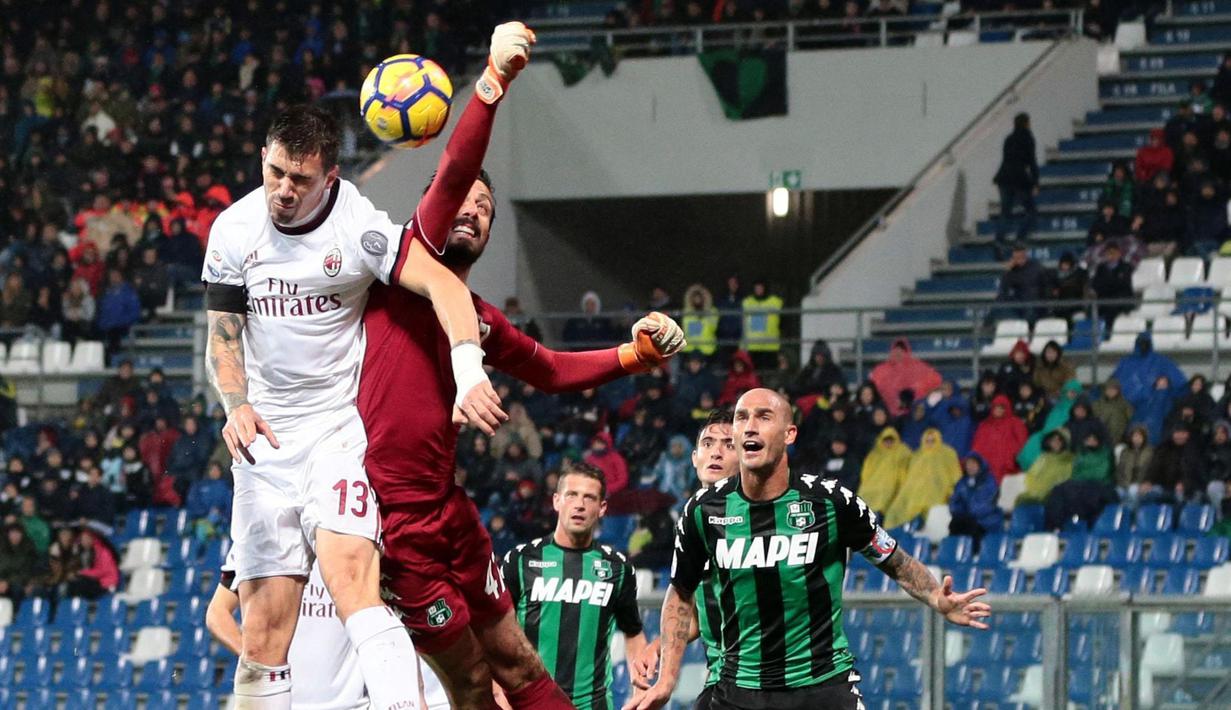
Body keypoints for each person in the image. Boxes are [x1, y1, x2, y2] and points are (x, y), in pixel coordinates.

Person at [355, 46, 686, 709]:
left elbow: (551, 368)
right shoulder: (408, 266)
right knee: (473, 683)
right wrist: (491, 84)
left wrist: (633, 357)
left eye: (486, 207)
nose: (472, 209)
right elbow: (453, 170)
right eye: (462, 201)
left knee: (516, 660)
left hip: (449, 512)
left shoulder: (477, 316)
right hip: (396, 525)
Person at [200, 86, 517, 704]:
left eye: (301, 178)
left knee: (353, 585)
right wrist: (235, 404)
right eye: (274, 172)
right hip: (264, 444)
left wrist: (468, 367)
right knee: (263, 634)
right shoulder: (232, 230)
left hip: (336, 434)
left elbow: (446, 288)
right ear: (262, 155)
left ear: (330, 176)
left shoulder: (361, 227)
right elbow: (224, 332)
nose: (284, 190)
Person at [629, 389, 990, 710]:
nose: (750, 426)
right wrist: (667, 680)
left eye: (763, 417)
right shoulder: (702, 511)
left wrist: (935, 597)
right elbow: (680, 595)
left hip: (823, 687)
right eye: (742, 418)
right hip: (737, 689)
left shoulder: (832, 502)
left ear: (790, 434)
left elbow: (893, 559)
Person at [206, 556, 452, 710]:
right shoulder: (263, 540)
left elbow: (393, 621)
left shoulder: (355, 546)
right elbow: (217, 614)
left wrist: (414, 690)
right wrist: (260, 662)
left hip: (351, 704)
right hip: (280, 700)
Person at [502, 463, 648, 710]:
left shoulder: (617, 568)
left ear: (602, 508)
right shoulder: (520, 561)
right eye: (572, 495)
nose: (579, 505)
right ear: (557, 501)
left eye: (589, 498)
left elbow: (633, 633)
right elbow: (495, 634)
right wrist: (499, 697)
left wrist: (640, 691)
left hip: (593, 704)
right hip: (528, 703)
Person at [630, 408, 738, 709]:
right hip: (723, 678)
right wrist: (659, 647)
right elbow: (698, 609)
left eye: (728, 445)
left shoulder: (762, 515)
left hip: (778, 680)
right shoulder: (693, 518)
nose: (716, 452)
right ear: (694, 458)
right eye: (708, 443)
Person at [883, 428, 962, 529]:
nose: (929, 443)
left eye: (933, 441)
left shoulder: (947, 454)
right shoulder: (917, 456)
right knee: (894, 514)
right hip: (915, 498)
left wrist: (951, 493)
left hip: (939, 497)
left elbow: (955, 475)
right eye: (927, 440)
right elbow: (909, 479)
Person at [993, 112, 1039, 251]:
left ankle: (999, 240)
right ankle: (1020, 238)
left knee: (1005, 212)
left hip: (1003, 178)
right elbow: (1031, 162)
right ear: (1026, 123)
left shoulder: (1009, 139)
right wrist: (1035, 182)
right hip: (1019, 179)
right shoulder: (1028, 138)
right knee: (1030, 211)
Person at [869, 338, 942, 417]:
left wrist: (915, 390)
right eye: (896, 349)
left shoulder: (918, 367)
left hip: (913, 413)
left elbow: (936, 380)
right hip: (887, 416)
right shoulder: (880, 370)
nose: (898, 352)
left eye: (902, 349)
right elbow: (871, 387)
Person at [970, 394, 1028, 483]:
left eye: (1002, 407)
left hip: (1007, 468)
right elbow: (976, 446)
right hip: (986, 468)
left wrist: (1011, 457)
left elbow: (1022, 444)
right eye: (996, 407)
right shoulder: (984, 425)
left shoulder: (1016, 423)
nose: (998, 410)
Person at [948, 454, 1001, 548]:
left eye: (973, 464)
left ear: (980, 465)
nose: (970, 467)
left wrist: (971, 514)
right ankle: (954, 555)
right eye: (968, 464)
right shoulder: (962, 483)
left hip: (986, 520)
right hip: (968, 519)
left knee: (971, 526)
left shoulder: (989, 482)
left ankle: (973, 553)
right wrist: (961, 514)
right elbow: (955, 502)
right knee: (954, 524)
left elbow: (988, 504)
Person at [857, 427, 911, 517]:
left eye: (891, 440)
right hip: (871, 487)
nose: (888, 443)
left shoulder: (903, 452)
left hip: (891, 487)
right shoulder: (874, 454)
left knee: (880, 503)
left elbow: (904, 472)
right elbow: (866, 473)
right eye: (886, 440)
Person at [1018, 429, 1074, 505]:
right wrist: (1033, 492)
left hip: (1051, 499)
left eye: (1060, 440)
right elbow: (1031, 475)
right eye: (1053, 439)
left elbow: (1063, 482)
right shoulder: (1043, 457)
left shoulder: (1068, 461)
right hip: (1032, 495)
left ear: (1065, 443)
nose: (1056, 443)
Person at [1089, 241, 1135, 327]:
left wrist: (1106, 283)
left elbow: (1122, 285)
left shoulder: (1126, 267)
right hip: (1104, 298)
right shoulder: (1101, 268)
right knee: (1091, 308)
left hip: (1121, 299)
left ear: (1119, 253)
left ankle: (1108, 334)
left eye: (1113, 253)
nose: (1111, 255)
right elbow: (1096, 284)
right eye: (1108, 253)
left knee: (1111, 308)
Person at [740, 279, 783, 370]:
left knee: (770, 374)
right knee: (754, 375)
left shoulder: (775, 301)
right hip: (753, 346)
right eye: (756, 288)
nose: (759, 290)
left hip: (770, 346)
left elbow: (784, 321)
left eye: (761, 288)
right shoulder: (747, 302)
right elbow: (743, 324)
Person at [1116, 425, 1154, 505]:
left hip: (1141, 483)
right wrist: (1122, 483)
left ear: (1144, 438)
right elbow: (1119, 470)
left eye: (1139, 436)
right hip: (1125, 483)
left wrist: (1146, 483)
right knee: (1118, 492)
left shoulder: (1150, 452)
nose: (1137, 439)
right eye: (1135, 436)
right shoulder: (1125, 452)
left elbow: (1152, 470)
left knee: (1132, 491)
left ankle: (1134, 515)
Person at [681, 283, 719, 358]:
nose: (697, 299)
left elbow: (713, 328)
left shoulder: (712, 311)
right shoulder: (686, 312)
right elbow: (684, 329)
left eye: (700, 297)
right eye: (695, 297)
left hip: (707, 349)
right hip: (689, 349)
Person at [1092, 377, 1133, 445]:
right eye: (1109, 388)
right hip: (1101, 440)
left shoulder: (1125, 404)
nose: (1111, 391)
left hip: (1119, 440)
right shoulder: (1097, 404)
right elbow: (1092, 422)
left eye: (1114, 389)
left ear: (1118, 391)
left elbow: (1132, 420)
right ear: (1104, 390)